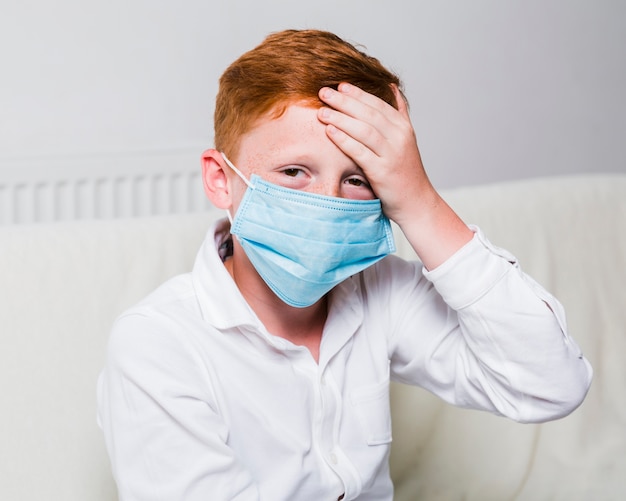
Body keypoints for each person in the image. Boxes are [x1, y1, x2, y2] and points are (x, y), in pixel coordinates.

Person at [97, 29, 592, 500]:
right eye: (294, 172)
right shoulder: (159, 347)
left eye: (357, 180)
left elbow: (550, 384)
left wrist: (419, 203)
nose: (327, 202)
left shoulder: (380, 293)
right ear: (221, 179)